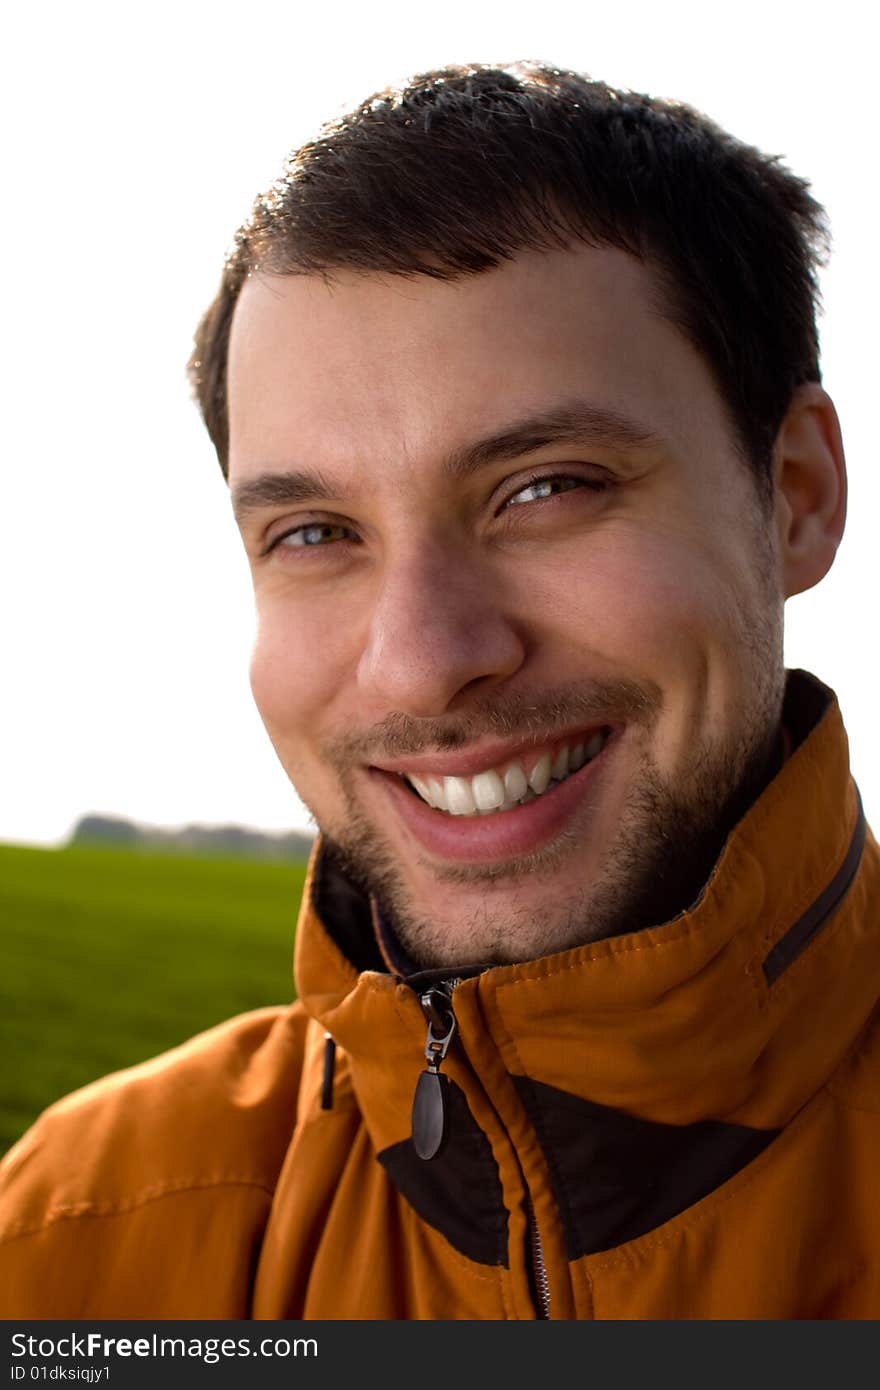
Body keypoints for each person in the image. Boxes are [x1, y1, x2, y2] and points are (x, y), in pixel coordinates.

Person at [1, 61, 877, 1322]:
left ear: (793, 494)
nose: (420, 657)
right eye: (314, 532)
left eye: (545, 488)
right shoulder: (84, 1230)